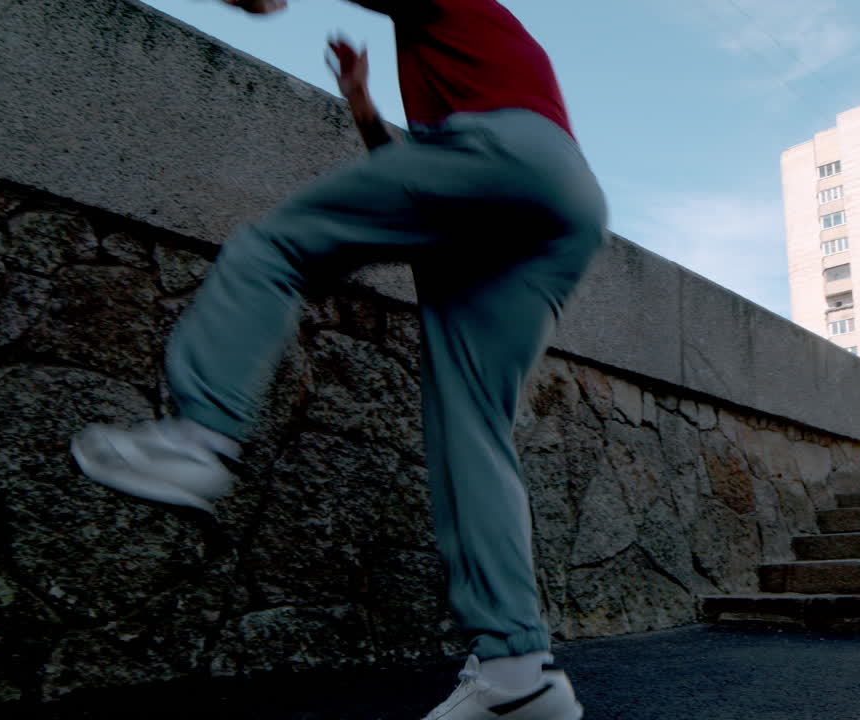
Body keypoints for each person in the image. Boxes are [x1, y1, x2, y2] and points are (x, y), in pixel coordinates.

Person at [70, 0, 607, 718]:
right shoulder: (482, 49)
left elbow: (456, 168)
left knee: (275, 246)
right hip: (560, 206)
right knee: (473, 426)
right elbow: (419, 185)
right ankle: (518, 673)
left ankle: (199, 435)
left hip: (501, 162)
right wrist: (361, 104)